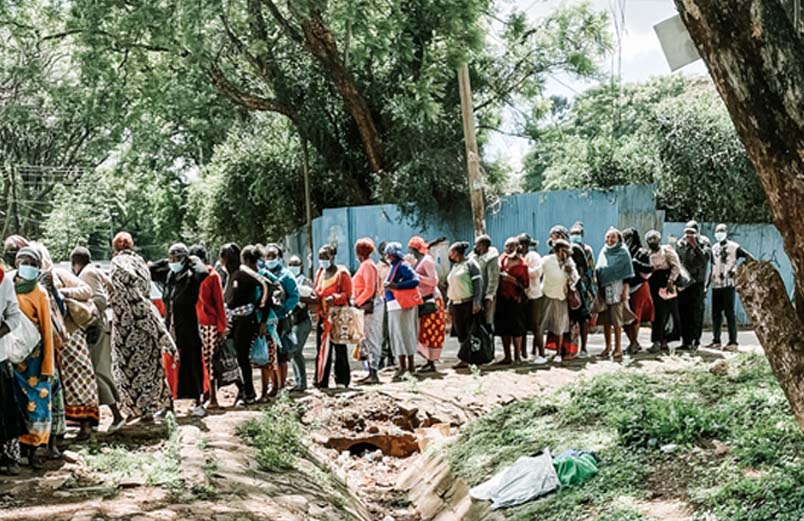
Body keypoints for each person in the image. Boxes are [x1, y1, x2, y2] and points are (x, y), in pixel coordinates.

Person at [109, 232, 175, 421]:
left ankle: (136, 410)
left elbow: (123, 294)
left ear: (115, 248)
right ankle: (160, 405)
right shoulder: (141, 263)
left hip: (126, 326)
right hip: (146, 321)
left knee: (128, 371)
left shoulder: (117, 264)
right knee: (151, 366)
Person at [70, 247, 126, 431]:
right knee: (97, 372)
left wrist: (85, 312)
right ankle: (93, 420)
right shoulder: (94, 271)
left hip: (97, 328)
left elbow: (100, 301)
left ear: (75, 264)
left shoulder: (87, 274)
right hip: (99, 327)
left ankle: (116, 415)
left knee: (97, 373)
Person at [11, 247, 54, 469]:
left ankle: (36, 448)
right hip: (12, 355)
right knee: (16, 400)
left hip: (35, 358)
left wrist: (48, 363)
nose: (26, 265)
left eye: (31, 262)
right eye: (23, 261)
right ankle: (20, 447)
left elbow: (47, 329)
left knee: (37, 402)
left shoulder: (40, 293)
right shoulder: (7, 286)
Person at [159, 243, 209, 417]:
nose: (173, 261)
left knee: (191, 364)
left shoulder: (191, 277)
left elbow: (203, 272)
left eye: (177, 258)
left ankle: (198, 402)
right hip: (171, 328)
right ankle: (167, 404)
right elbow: (150, 268)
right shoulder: (170, 277)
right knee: (168, 367)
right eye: (171, 258)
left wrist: (192, 259)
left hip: (188, 328)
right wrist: (167, 261)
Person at [52, 263, 99, 440]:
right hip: (47, 338)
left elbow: (86, 290)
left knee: (80, 377)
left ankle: (86, 425)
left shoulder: (58, 274)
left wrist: (63, 293)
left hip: (70, 333)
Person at [221, 243, 269, 405]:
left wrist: (262, 313)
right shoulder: (231, 275)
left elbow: (266, 285)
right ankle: (243, 389)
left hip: (246, 320)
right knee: (234, 356)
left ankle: (249, 393)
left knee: (242, 357)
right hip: (234, 320)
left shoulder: (243, 273)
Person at [188, 245, 227, 409]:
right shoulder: (208, 275)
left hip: (206, 323)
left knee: (207, 361)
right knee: (204, 361)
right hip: (202, 323)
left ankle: (211, 397)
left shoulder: (210, 276)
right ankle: (205, 395)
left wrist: (221, 326)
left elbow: (219, 302)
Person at [707, 224, 754, 351]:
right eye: (717, 231)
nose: (719, 233)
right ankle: (716, 340)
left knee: (729, 314)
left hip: (728, 284)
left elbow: (750, 257)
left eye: (721, 231)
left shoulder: (734, 247)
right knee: (716, 314)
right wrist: (706, 285)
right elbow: (712, 268)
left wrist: (737, 270)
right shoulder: (714, 248)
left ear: (726, 232)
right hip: (716, 285)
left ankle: (733, 342)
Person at [263, 244, 300, 392]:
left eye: (273, 256)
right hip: (266, 320)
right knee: (269, 354)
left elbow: (294, 296)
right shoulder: (262, 274)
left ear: (279, 258)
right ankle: (274, 384)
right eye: (268, 256)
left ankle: (281, 385)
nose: (270, 259)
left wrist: (283, 310)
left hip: (281, 319)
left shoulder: (286, 275)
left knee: (282, 354)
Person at [314, 245, 352, 388]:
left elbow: (347, 294)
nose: (322, 260)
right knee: (322, 349)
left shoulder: (342, 273)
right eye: (320, 257)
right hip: (323, 316)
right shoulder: (320, 273)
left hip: (338, 316)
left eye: (325, 257)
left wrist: (334, 298)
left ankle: (342, 380)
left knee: (340, 349)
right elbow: (317, 290)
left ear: (332, 256)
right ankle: (321, 379)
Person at [549, 226, 591, 357]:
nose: (554, 238)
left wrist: (575, 281)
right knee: (564, 319)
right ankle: (564, 349)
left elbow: (584, 268)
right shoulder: (552, 251)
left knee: (581, 317)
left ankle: (583, 348)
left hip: (576, 287)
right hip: (561, 289)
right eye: (552, 236)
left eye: (556, 235)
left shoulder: (575, 249)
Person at [595, 228, 636, 361]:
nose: (609, 240)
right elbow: (599, 269)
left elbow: (628, 274)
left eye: (613, 238)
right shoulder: (604, 251)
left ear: (618, 239)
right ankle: (608, 347)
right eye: (607, 237)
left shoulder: (623, 252)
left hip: (618, 290)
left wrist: (625, 291)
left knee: (617, 321)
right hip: (604, 290)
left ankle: (618, 348)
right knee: (606, 320)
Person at [0, 259, 24, 475]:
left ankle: (10, 458)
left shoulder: (3, 280)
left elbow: (14, 315)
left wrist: (2, 330)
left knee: (6, 409)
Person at [383, 242, 421, 380]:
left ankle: (407, 367)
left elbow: (416, 280)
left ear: (391, 254)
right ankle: (404, 366)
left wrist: (397, 286)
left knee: (403, 334)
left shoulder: (403, 265)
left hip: (400, 305)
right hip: (394, 305)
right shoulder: (395, 265)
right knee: (398, 335)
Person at [409, 236, 446, 373]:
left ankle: (431, 363)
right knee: (423, 331)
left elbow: (434, 281)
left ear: (414, 249)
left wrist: (417, 277)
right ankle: (428, 360)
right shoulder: (418, 261)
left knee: (432, 331)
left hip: (432, 300)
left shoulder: (427, 261)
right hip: (422, 300)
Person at [540, 239, 579, 363]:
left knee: (559, 327)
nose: (567, 254)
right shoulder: (546, 260)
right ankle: (540, 354)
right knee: (541, 325)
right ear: (559, 250)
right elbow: (539, 274)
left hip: (561, 297)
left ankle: (558, 353)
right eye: (565, 251)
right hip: (547, 295)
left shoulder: (569, 263)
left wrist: (570, 273)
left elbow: (575, 280)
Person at [447, 242, 483, 369]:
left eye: (451, 252)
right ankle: (464, 358)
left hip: (468, 303)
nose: (449, 254)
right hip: (456, 304)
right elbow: (452, 286)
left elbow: (478, 284)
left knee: (470, 332)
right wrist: (449, 305)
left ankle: (471, 359)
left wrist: (477, 302)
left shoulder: (471, 264)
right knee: (460, 332)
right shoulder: (455, 266)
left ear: (456, 252)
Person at [676, 220, 711, 352]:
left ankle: (696, 340)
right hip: (684, 283)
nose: (688, 235)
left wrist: (695, 246)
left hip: (697, 283)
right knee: (683, 312)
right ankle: (685, 341)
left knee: (696, 312)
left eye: (692, 233)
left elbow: (705, 259)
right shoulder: (680, 243)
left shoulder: (704, 242)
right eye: (687, 232)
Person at [645, 230, 682, 353]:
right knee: (656, 314)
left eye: (654, 238)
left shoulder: (666, 250)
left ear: (659, 239)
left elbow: (676, 265)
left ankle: (662, 340)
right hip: (653, 284)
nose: (652, 241)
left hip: (666, 284)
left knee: (666, 313)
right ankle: (658, 340)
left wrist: (671, 280)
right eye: (649, 239)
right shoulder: (648, 254)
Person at [494, 237, 529, 365]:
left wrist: (511, 279)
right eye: (506, 246)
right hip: (503, 299)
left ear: (517, 247)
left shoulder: (522, 264)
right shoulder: (502, 259)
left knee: (517, 329)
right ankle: (507, 356)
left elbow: (525, 285)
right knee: (504, 328)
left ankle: (517, 356)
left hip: (516, 300)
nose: (508, 249)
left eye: (511, 246)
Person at [353, 239, 382, 384]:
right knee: (366, 339)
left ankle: (374, 373)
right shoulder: (366, 265)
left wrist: (356, 303)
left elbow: (369, 289)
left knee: (372, 338)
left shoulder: (368, 266)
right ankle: (370, 371)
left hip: (370, 305)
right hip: (366, 305)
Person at [621, 229, 654, 354]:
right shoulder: (623, 252)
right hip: (626, 288)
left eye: (627, 238)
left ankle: (633, 343)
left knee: (635, 317)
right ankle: (633, 342)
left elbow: (649, 269)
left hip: (639, 287)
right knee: (624, 317)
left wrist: (634, 263)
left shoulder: (642, 252)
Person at [518, 233, 547, 365]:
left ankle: (541, 353)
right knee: (522, 326)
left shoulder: (534, 257)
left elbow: (536, 273)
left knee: (536, 326)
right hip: (521, 296)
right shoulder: (518, 257)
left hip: (534, 295)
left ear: (525, 245)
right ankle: (523, 353)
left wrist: (522, 271)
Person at [287, 255, 314, 392]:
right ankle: (298, 381)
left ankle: (302, 382)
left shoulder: (306, 282)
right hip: (292, 322)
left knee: (296, 351)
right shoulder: (289, 280)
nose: (293, 267)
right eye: (291, 264)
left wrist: (296, 297)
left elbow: (313, 298)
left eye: (295, 264)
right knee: (292, 352)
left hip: (302, 321)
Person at [569, 223, 596, 357]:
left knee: (583, 319)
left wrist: (591, 291)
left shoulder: (587, 250)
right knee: (570, 320)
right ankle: (572, 348)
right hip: (569, 289)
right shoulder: (567, 249)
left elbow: (591, 270)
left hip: (584, 289)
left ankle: (584, 348)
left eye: (577, 233)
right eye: (573, 233)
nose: (575, 236)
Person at [469, 235, 500, 328]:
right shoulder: (474, 257)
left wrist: (489, 295)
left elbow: (493, 278)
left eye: (477, 245)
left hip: (486, 295)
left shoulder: (492, 259)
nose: (475, 247)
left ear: (483, 246)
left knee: (487, 321)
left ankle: (488, 341)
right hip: (475, 295)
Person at [376, 242, 394, 369]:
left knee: (394, 330)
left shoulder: (395, 264)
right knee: (384, 331)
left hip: (396, 300)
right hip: (384, 300)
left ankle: (392, 357)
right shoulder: (378, 267)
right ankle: (382, 357)